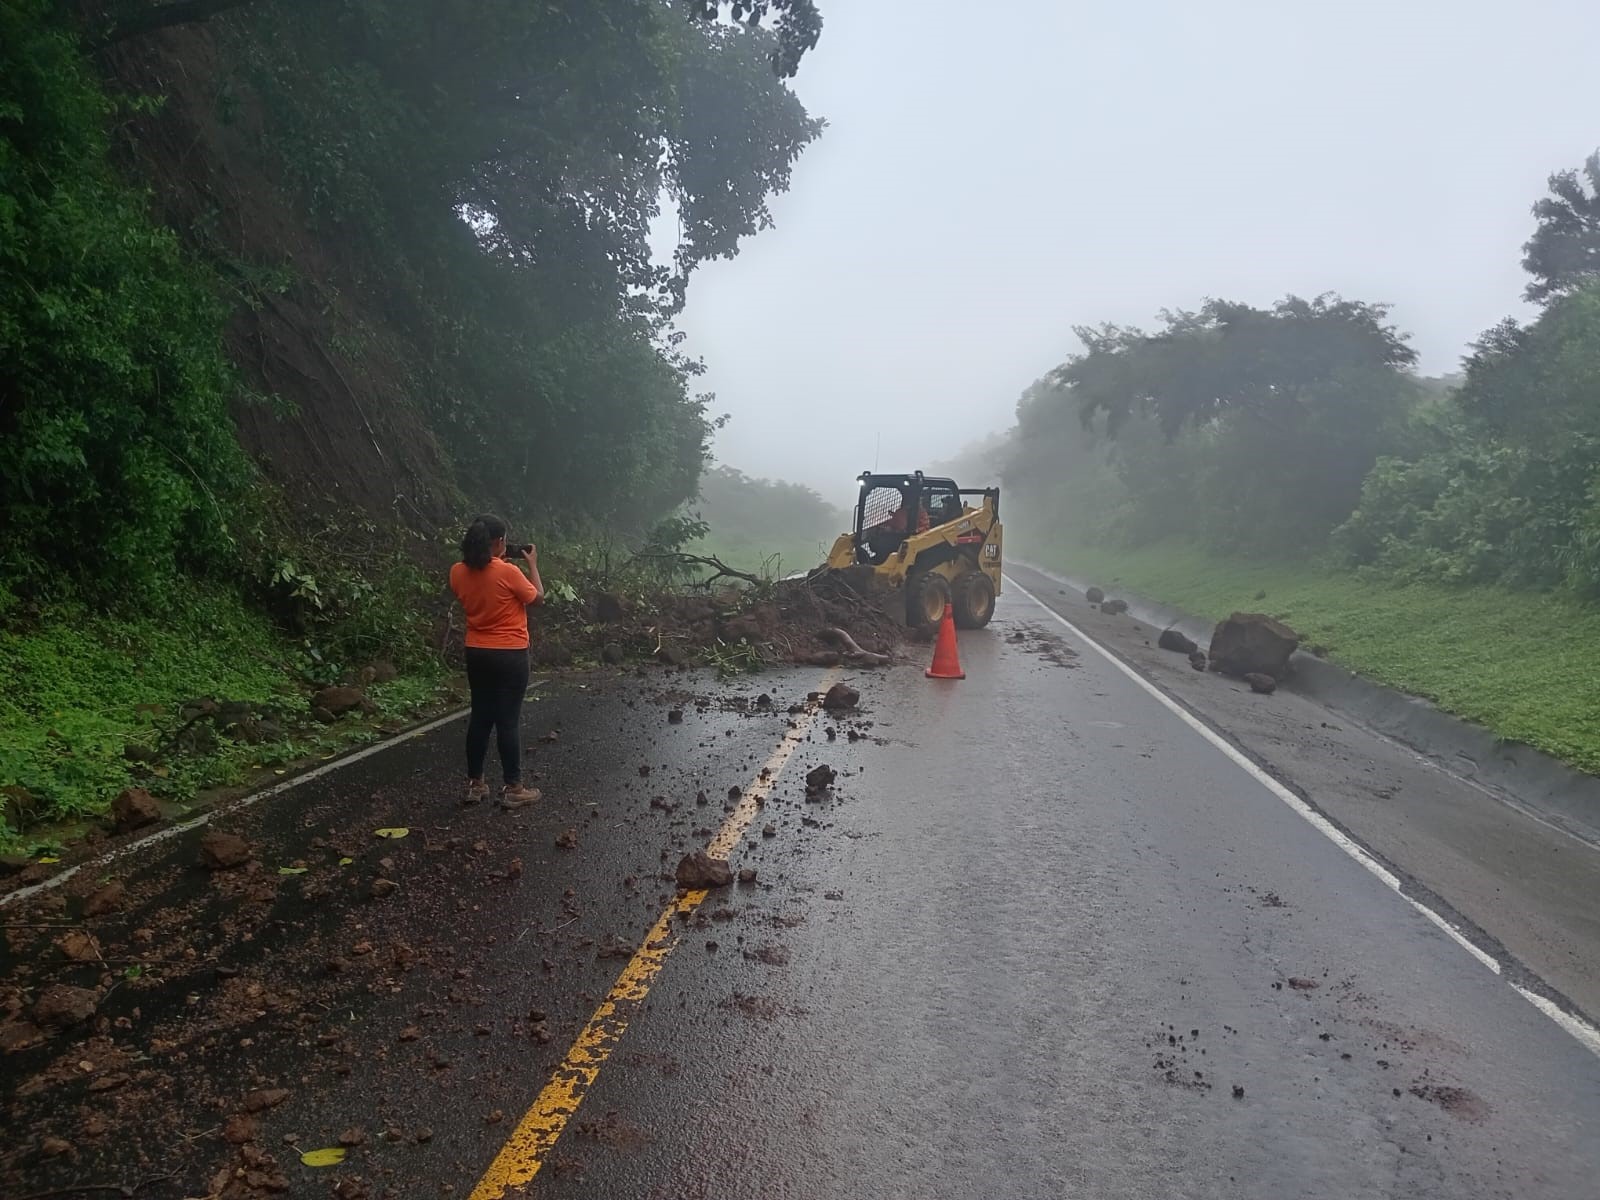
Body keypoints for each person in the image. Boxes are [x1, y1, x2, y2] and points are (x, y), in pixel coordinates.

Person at [449, 514, 544, 808]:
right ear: (500, 541)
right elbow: (538, 597)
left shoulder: (457, 571)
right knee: (507, 720)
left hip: (476, 652)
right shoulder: (508, 572)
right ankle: (513, 787)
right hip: (510, 654)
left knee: (480, 717)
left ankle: (474, 784)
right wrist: (532, 564)